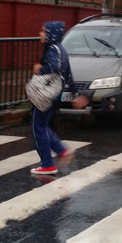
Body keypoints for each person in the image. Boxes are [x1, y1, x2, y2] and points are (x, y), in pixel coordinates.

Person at [31, 21, 88, 175]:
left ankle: (47, 164)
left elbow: (54, 68)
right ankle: (60, 150)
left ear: (51, 33)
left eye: (43, 31)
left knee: (38, 128)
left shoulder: (52, 50)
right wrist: (75, 96)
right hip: (54, 95)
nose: (40, 34)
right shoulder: (61, 50)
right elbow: (68, 75)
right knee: (43, 125)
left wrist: (40, 69)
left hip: (46, 94)